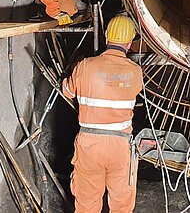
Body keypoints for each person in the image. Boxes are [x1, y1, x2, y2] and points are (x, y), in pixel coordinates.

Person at [61, 16, 143, 213]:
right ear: (130, 43)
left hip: (90, 144)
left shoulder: (85, 66)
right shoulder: (135, 71)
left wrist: (69, 79)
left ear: (106, 37)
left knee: (87, 203)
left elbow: (68, 92)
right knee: (122, 204)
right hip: (120, 146)